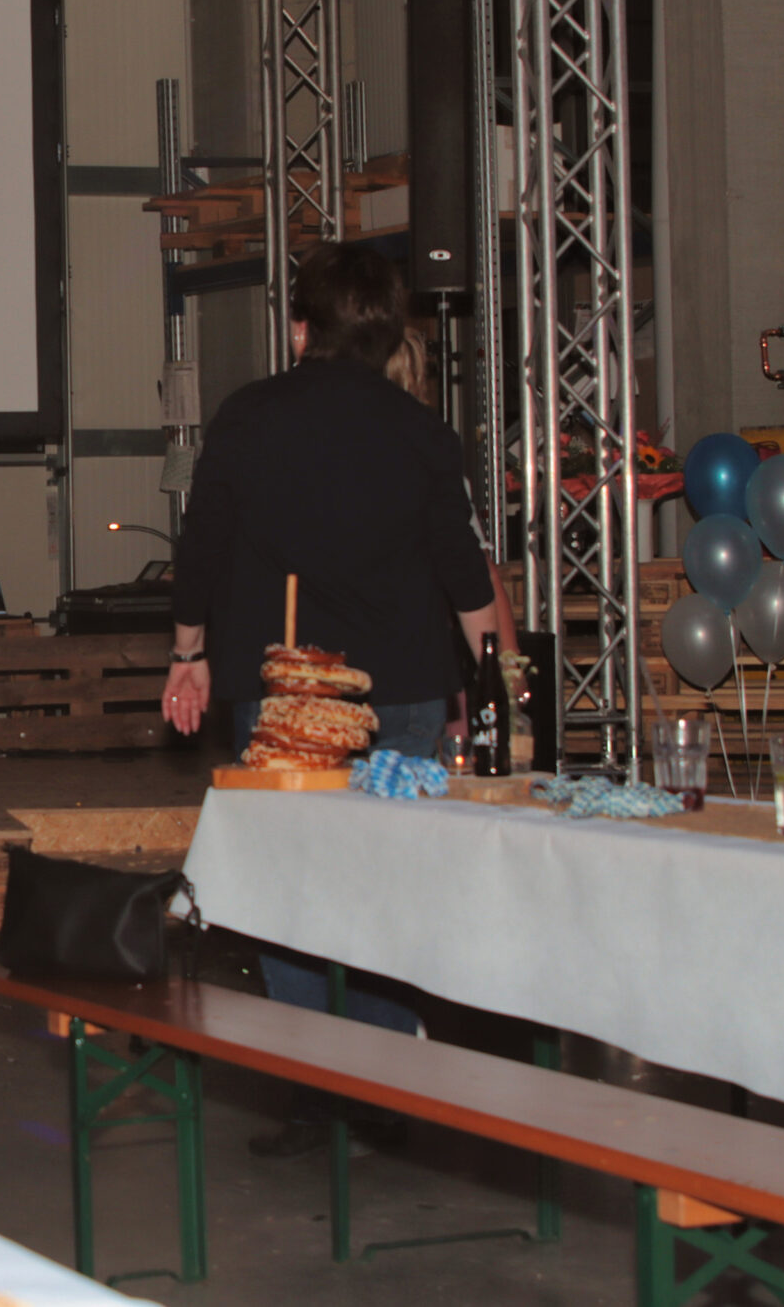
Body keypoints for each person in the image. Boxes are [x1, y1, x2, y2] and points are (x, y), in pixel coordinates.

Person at [164, 241, 499, 1157]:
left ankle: (318, 1091)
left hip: (284, 693)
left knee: (294, 886)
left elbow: (202, 547)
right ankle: (382, 1090)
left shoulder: (249, 416)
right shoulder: (423, 433)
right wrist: (498, 683)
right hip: (406, 691)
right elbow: (467, 578)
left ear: (300, 328)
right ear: (389, 334)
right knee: (389, 885)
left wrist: (188, 653)